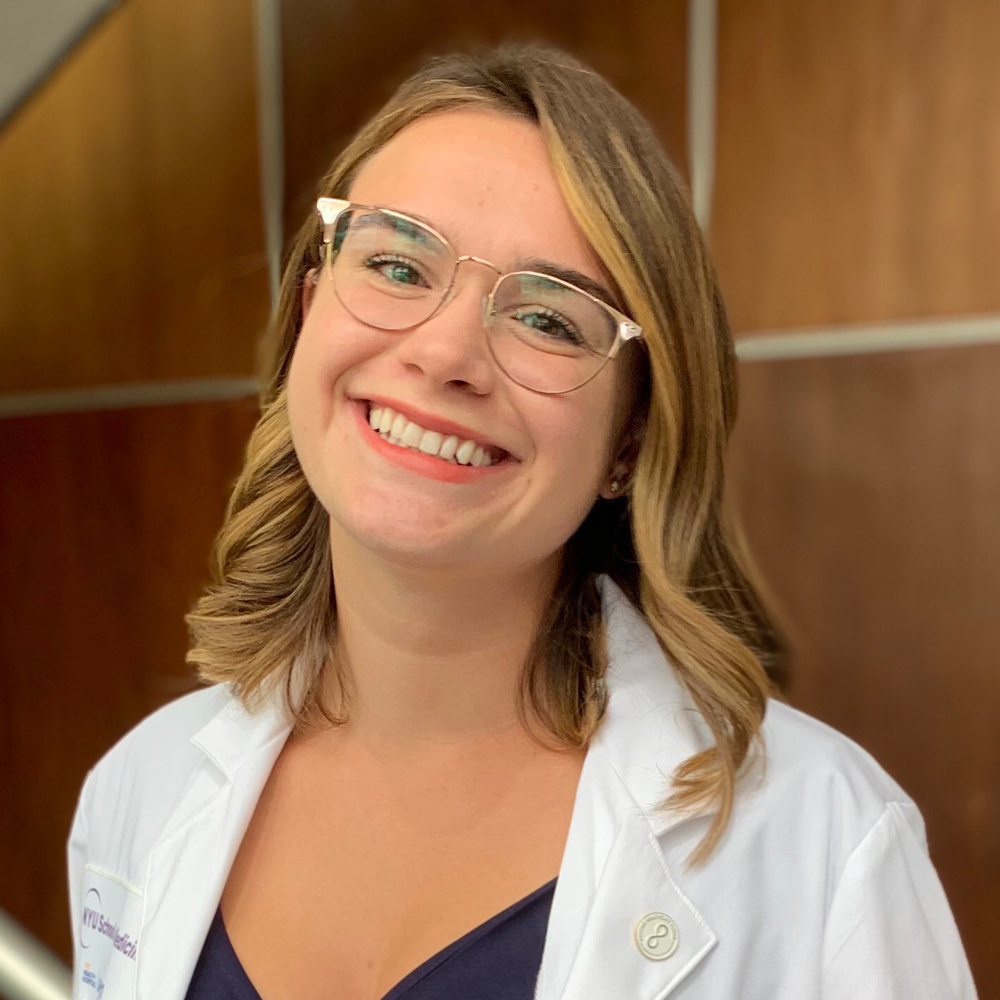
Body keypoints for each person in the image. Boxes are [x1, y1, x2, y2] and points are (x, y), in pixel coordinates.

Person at [67, 43, 978, 1000]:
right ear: (307, 314)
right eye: (396, 264)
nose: (445, 354)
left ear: (630, 438)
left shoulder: (822, 843)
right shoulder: (140, 790)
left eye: (548, 319)